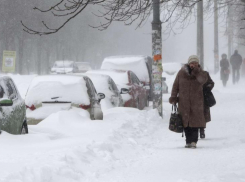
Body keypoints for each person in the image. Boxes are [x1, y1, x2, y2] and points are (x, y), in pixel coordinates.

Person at [169, 55, 208, 149]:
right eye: (192, 63)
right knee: (186, 123)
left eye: (195, 63)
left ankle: (194, 141)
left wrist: (196, 72)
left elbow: (203, 81)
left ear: (198, 64)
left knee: (195, 123)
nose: (193, 64)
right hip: (184, 102)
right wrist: (173, 97)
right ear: (188, 63)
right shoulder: (181, 73)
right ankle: (188, 141)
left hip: (196, 102)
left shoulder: (201, 73)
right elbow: (175, 86)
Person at [200, 72, 215, 138]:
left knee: (202, 114)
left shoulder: (204, 73)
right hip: (192, 98)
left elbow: (211, 83)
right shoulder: (188, 74)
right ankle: (194, 131)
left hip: (203, 98)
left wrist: (207, 89)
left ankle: (202, 130)